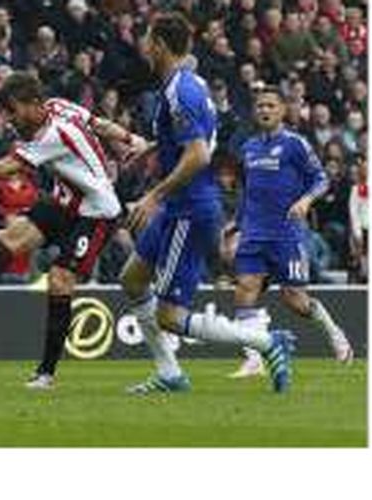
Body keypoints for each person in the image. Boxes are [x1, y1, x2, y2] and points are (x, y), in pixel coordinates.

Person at [0, 71, 146, 389]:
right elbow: (98, 123)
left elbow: (5, 167)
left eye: (14, 110)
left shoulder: (51, 134)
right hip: (65, 201)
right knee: (13, 235)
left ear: (34, 104)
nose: (11, 119)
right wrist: (128, 137)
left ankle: (46, 373)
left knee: (59, 280)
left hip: (97, 212)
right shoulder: (58, 106)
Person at [119, 13, 294, 395]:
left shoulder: (182, 90)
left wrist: (153, 195)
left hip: (189, 209)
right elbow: (192, 138)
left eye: (148, 39)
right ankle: (169, 374)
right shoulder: (186, 83)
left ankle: (267, 343)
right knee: (132, 279)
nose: (144, 46)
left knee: (169, 317)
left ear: (161, 45)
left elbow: (198, 154)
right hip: (178, 206)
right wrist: (146, 148)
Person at [228, 86, 353, 378]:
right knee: (245, 289)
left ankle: (335, 333)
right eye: (260, 106)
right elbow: (248, 190)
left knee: (294, 299)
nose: (265, 110)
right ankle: (254, 357)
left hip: (286, 234)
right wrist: (236, 222)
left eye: (271, 105)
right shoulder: (248, 148)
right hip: (253, 233)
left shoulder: (295, 144)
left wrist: (306, 200)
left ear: (283, 110)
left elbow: (321, 178)